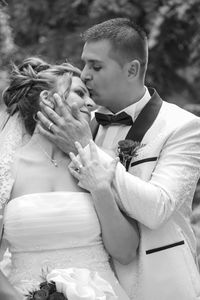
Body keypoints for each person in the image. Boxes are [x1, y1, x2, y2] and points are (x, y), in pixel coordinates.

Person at [37, 18, 200, 300]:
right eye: (85, 64)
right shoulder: (82, 123)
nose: (85, 75)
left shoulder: (183, 126)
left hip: (162, 288)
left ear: (132, 69)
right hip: (91, 287)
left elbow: (157, 208)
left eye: (96, 66)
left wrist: (85, 145)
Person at [0, 56, 139, 299]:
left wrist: (100, 190)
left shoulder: (100, 160)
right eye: (80, 93)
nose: (90, 104)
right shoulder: (6, 168)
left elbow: (126, 252)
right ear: (46, 98)